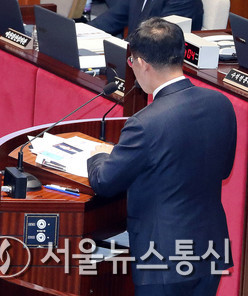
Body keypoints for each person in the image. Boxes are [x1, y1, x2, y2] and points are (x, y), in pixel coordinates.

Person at [88, 17, 235, 296]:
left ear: (142, 63)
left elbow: (104, 181)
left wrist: (98, 155)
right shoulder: (222, 104)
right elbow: (224, 170)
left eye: (131, 61)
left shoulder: (145, 123)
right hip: (210, 251)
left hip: (163, 260)